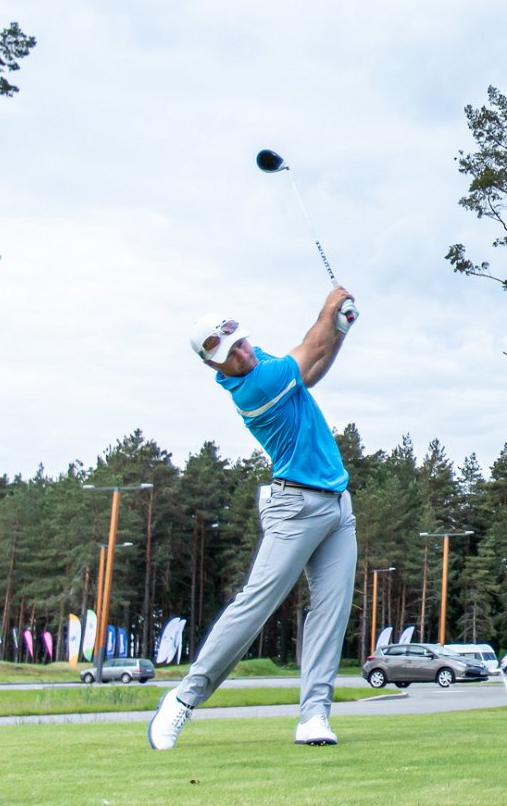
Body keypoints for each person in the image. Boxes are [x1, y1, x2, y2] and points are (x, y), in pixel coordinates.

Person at [150, 288, 359, 750]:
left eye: (241, 342)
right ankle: (183, 699)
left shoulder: (259, 358)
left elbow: (312, 372)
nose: (242, 353)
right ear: (214, 365)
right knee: (255, 605)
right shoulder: (254, 386)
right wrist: (330, 309)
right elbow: (310, 350)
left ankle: (314, 716)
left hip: (337, 507)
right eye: (230, 353)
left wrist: (340, 329)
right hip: (294, 507)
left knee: (332, 610)